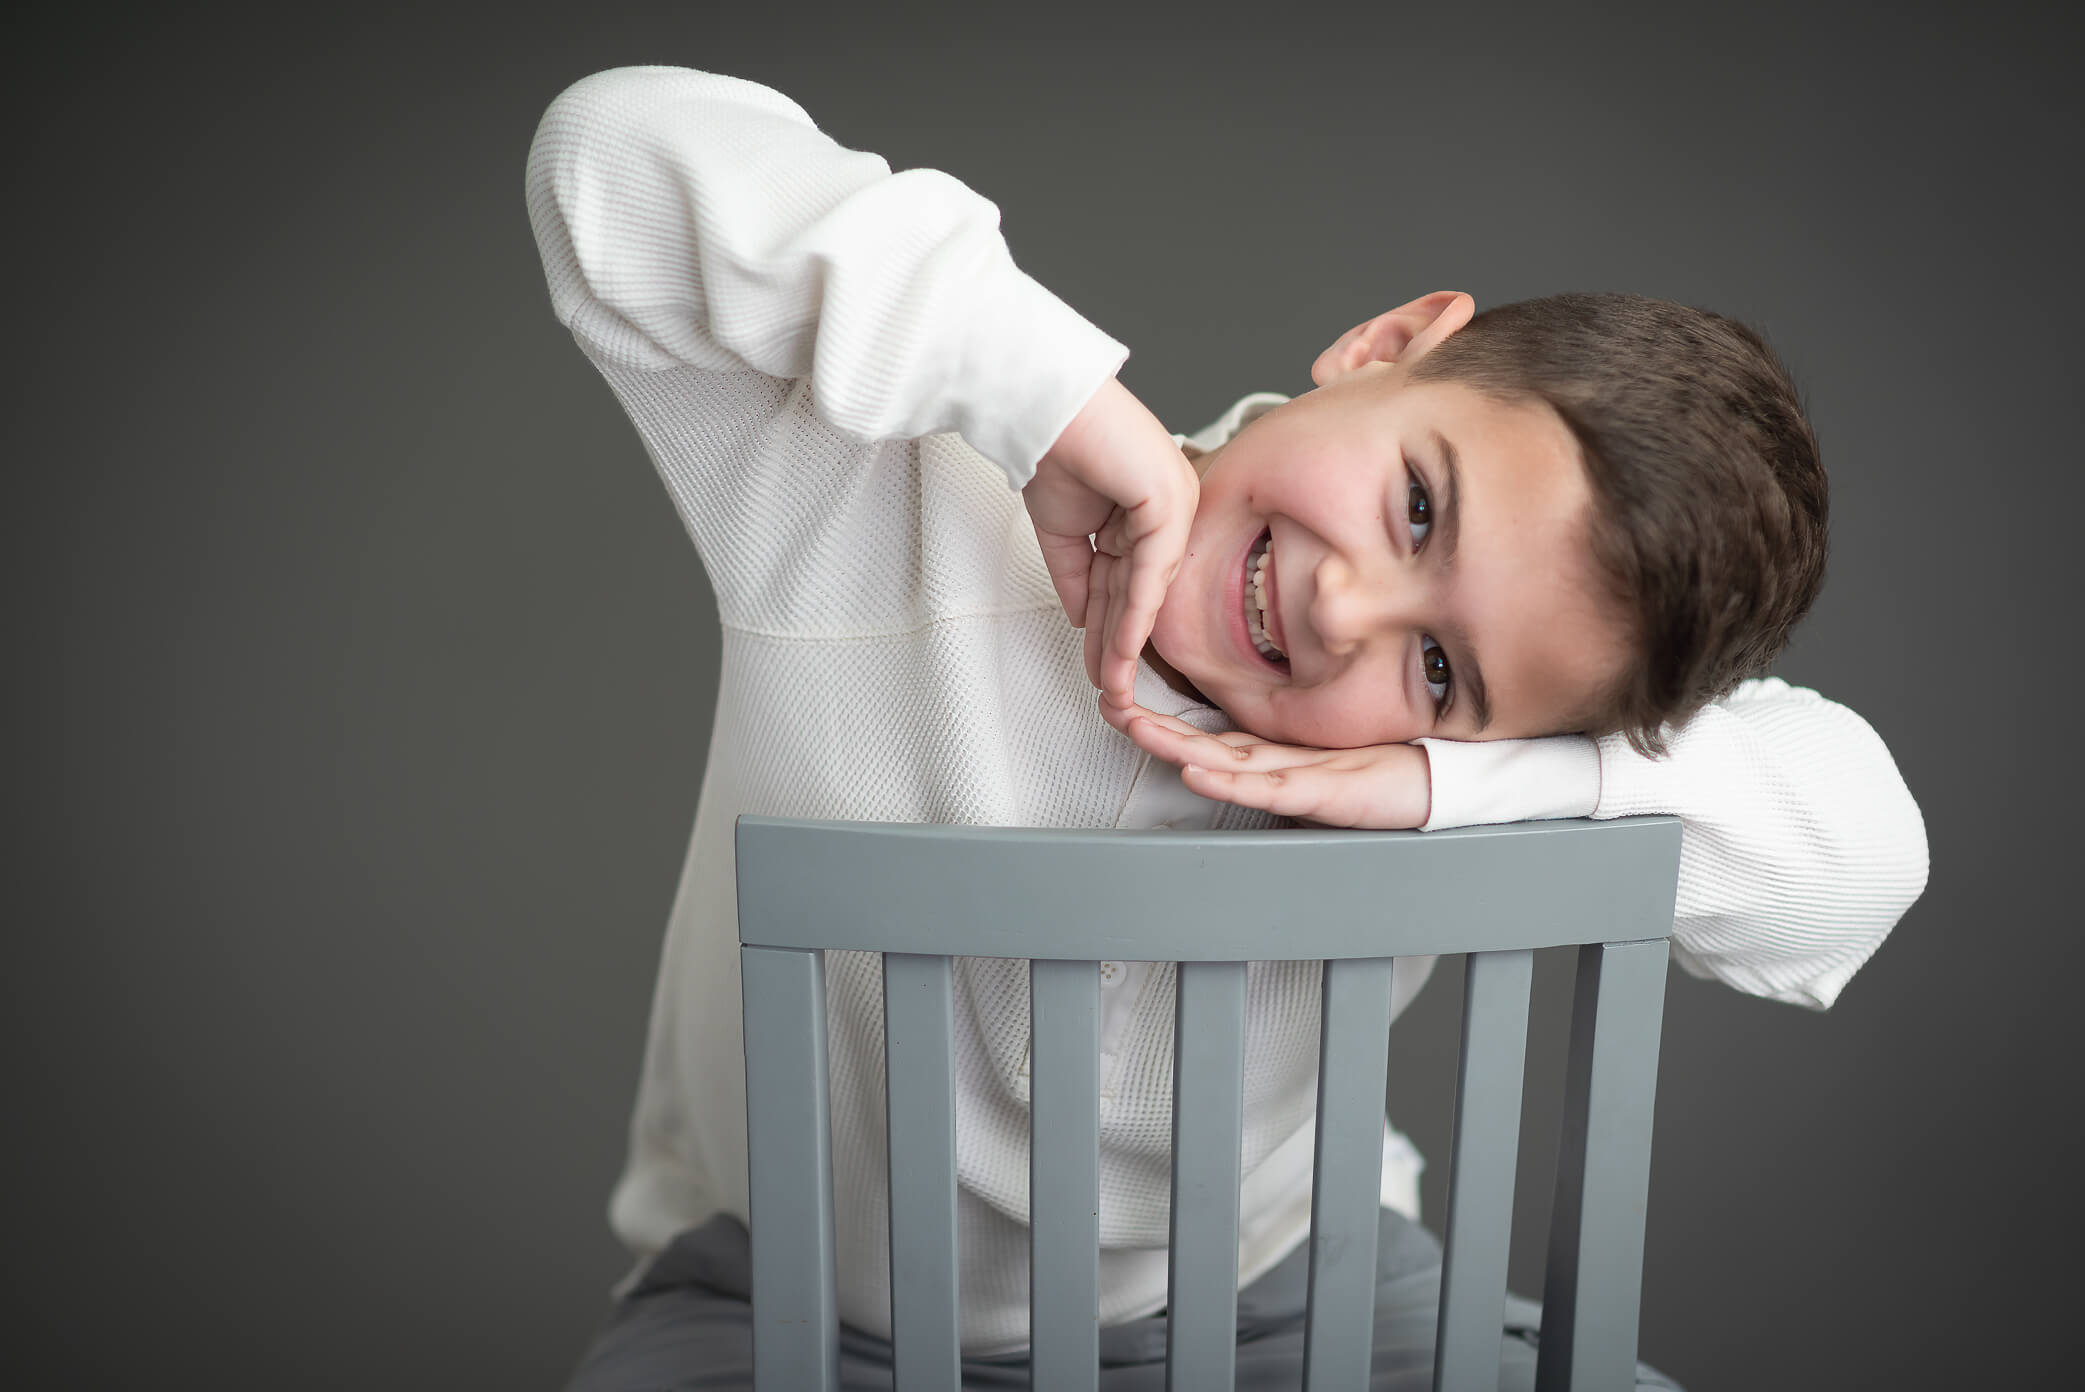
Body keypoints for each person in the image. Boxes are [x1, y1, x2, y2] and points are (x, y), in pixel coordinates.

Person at [525, 64, 1927, 1390]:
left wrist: (1444, 783)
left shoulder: (1473, 750)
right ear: (1384, 347)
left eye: (1437, 670)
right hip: (792, 1309)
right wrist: (1053, 402)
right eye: (1416, 506)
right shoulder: (879, 507)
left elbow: (1853, 864)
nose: (1343, 611)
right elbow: (615, 148)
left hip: (1292, 1301)